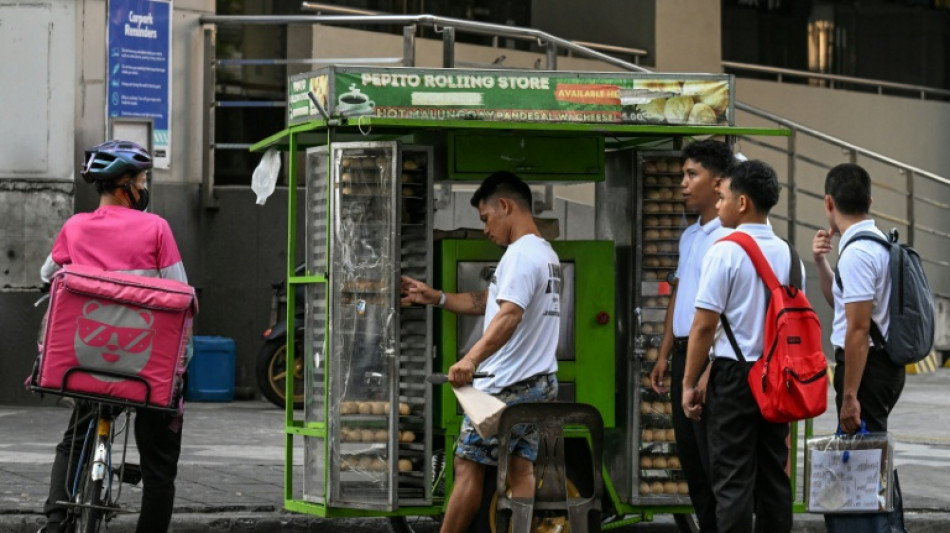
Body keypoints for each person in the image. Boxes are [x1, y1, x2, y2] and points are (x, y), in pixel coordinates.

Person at [39, 140, 188, 533]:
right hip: (144, 365)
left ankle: (56, 521)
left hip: (87, 359)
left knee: (74, 440)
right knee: (159, 458)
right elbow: (179, 291)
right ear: (125, 185)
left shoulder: (75, 227)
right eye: (141, 178)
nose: (143, 186)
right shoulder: (157, 228)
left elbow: (46, 274)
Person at [401, 171, 560, 533]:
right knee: (521, 467)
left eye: (486, 218)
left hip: (508, 386)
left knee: (467, 465)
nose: (485, 229)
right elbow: (489, 302)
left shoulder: (520, 255)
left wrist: (470, 359)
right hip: (540, 383)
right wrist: (437, 297)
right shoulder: (545, 253)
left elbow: (509, 315)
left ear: (505, 206)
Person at [682, 160, 800, 532]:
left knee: (732, 482)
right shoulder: (788, 254)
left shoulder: (726, 250)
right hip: (778, 376)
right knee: (773, 479)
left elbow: (703, 326)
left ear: (743, 202)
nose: (718, 206)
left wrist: (689, 382)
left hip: (735, 378)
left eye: (723, 198)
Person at [812, 163, 906, 530]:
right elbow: (843, 304)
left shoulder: (858, 254)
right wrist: (820, 262)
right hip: (882, 366)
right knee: (874, 459)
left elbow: (858, 330)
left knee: (865, 468)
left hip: (868, 372)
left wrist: (850, 396)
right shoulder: (875, 244)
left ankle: (879, 527)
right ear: (869, 200)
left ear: (828, 202)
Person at [649, 139, 734, 532]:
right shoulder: (689, 237)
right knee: (692, 464)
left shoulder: (727, 237)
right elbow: (679, 297)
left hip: (710, 360)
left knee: (714, 461)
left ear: (718, 183)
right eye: (683, 174)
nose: (683, 183)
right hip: (684, 355)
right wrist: (665, 355)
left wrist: (705, 371)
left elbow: (720, 314)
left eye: (691, 174)